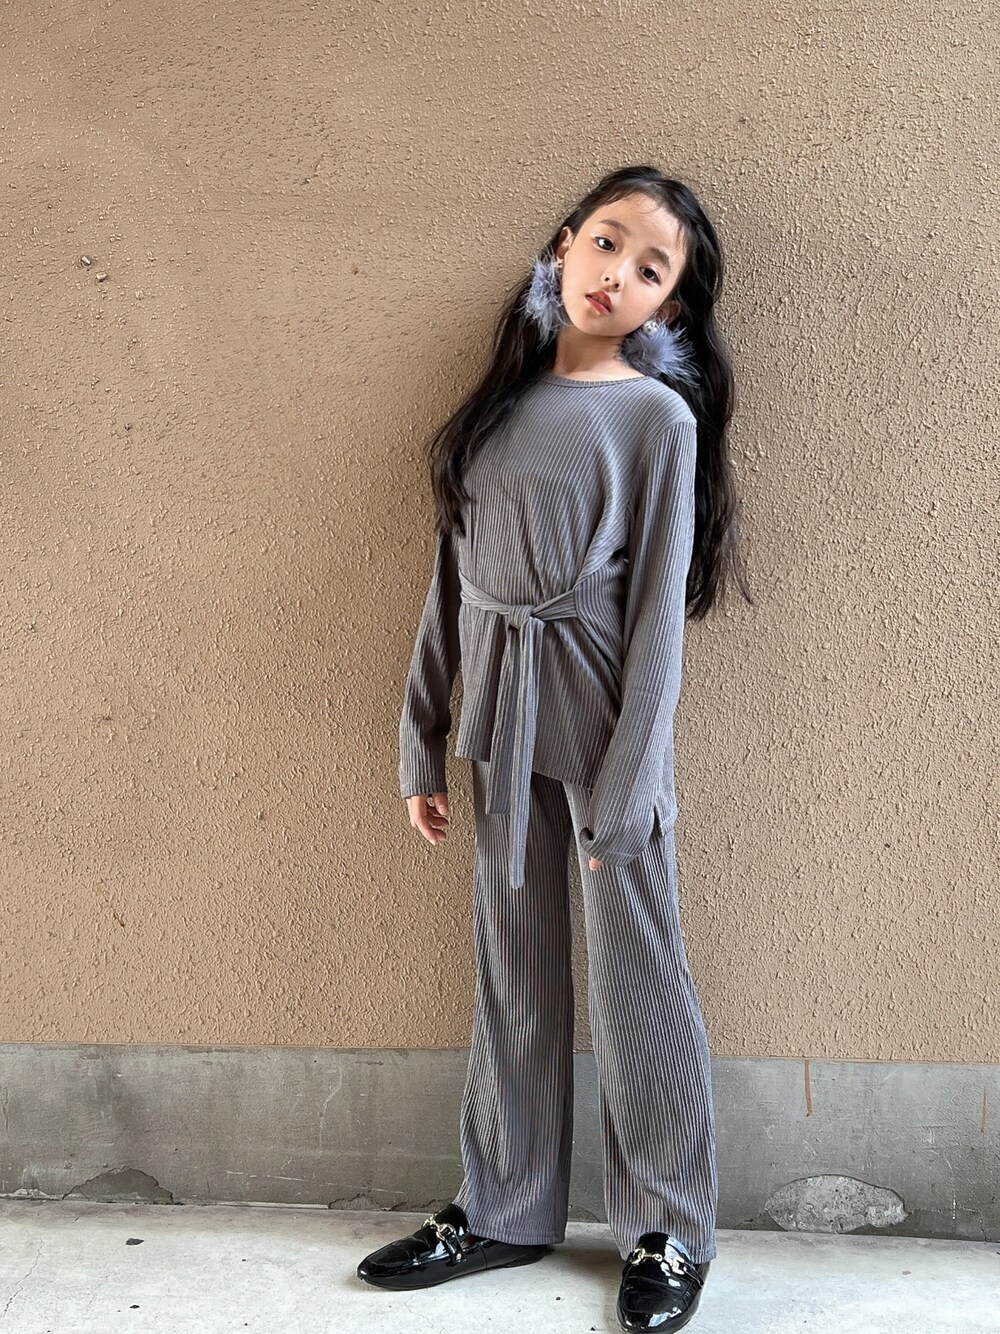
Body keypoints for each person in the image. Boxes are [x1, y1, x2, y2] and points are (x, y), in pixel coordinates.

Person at [357, 163, 752, 1333]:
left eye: (651, 268)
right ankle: (504, 1206)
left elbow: (656, 627)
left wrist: (627, 786)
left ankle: (670, 1226)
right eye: (607, 243)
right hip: (497, 718)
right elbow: (454, 586)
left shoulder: (656, 418)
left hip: (602, 726)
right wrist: (420, 735)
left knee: (637, 980)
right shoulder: (498, 405)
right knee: (512, 972)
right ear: (565, 244)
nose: (617, 275)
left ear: (670, 305)